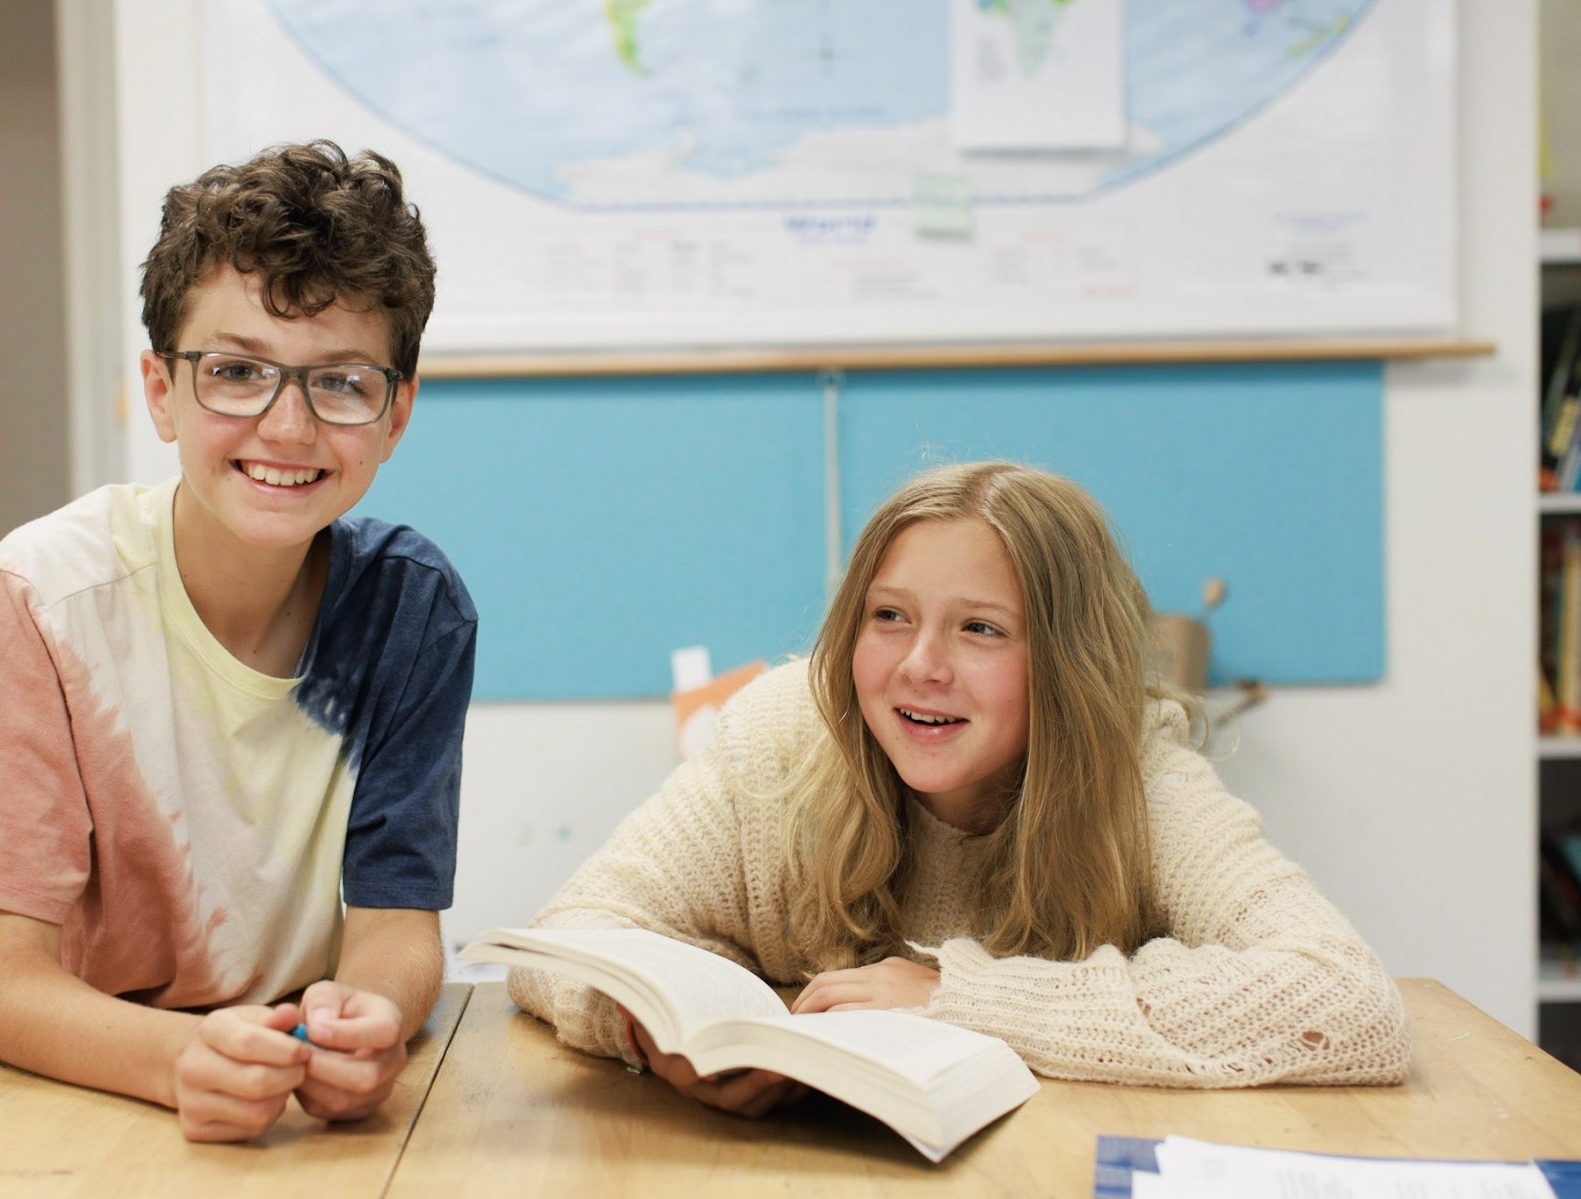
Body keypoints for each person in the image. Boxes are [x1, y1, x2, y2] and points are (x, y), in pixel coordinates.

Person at [508, 460, 1410, 1117]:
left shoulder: (1144, 778)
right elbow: (561, 941)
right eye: (888, 616)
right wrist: (648, 1032)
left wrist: (960, 998)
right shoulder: (785, 734)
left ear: (1067, 665)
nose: (919, 667)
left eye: (980, 628)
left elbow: (1347, 1003)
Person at [0, 142, 477, 1143]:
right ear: (161, 389)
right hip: (17, 1064)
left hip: (249, 1060)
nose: (287, 425)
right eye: (238, 370)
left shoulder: (412, 608)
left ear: (396, 412)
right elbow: (0, 981)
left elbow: (395, 924)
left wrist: (368, 1017)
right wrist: (175, 1057)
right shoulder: (42, 597)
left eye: (340, 381)